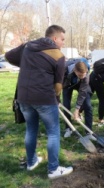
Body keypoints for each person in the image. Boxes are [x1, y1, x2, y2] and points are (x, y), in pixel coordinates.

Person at [5, 25, 73, 179]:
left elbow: (9, 56)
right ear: (54, 38)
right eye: (62, 39)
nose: (63, 42)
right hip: (44, 99)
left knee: (31, 129)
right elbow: (58, 85)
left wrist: (28, 65)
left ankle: (32, 162)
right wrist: (56, 99)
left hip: (23, 97)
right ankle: (53, 169)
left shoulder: (28, 46)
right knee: (53, 133)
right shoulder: (58, 56)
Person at [62, 61, 92, 138]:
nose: (82, 76)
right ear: (75, 71)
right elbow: (57, 83)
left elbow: (82, 93)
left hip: (81, 84)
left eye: (83, 75)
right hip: (67, 84)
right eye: (80, 75)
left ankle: (88, 132)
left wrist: (77, 109)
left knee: (88, 106)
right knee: (66, 105)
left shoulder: (86, 73)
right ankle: (68, 128)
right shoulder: (64, 70)